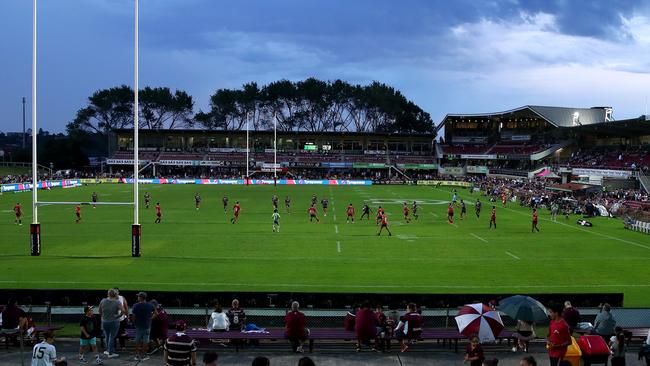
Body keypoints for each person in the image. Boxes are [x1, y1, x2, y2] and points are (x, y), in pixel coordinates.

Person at [98, 288, 124, 358]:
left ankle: (108, 350)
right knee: (111, 337)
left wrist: (104, 316)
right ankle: (110, 352)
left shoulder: (103, 301)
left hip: (105, 321)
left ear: (108, 294)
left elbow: (99, 311)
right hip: (114, 321)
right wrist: (118, 316)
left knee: (107, 336)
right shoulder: (117, 302)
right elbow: (123, 311)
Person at [132, 291, 156, 361]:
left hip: (138, 326)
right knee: (145, 341)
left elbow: (133, 316)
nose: (137, 297)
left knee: (137, 341)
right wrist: (151, 318)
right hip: (147, 326)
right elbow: (156, 313)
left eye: (138, 296)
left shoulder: (135, 305)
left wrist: (134, 323)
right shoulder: (150, 305)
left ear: (140, 297)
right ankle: (143, 355)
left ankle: (137, 355)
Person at [546, 302, 571, 366]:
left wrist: (556, 346)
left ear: (556, 313)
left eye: (551, 312)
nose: (549, 314)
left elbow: (569, 342)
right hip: (551, 352)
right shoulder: (552, 322)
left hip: (559, 354)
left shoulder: (564, 325)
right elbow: (548, 335)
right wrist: (548, 341)